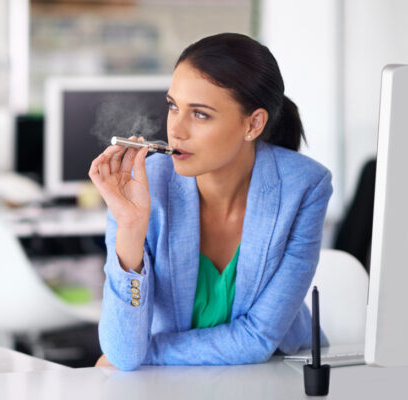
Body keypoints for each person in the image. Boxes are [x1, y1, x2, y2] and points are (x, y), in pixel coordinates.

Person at [88, 33, 333, 370]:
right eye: (173, 106)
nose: (176, 130)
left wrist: (151, 353)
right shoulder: (142, 186)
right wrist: (130, 227)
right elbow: (124, 353)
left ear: (253, 124)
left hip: (276, 374)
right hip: (171, 385)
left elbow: (258, 340)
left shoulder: (304, 187)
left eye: (200, 115)